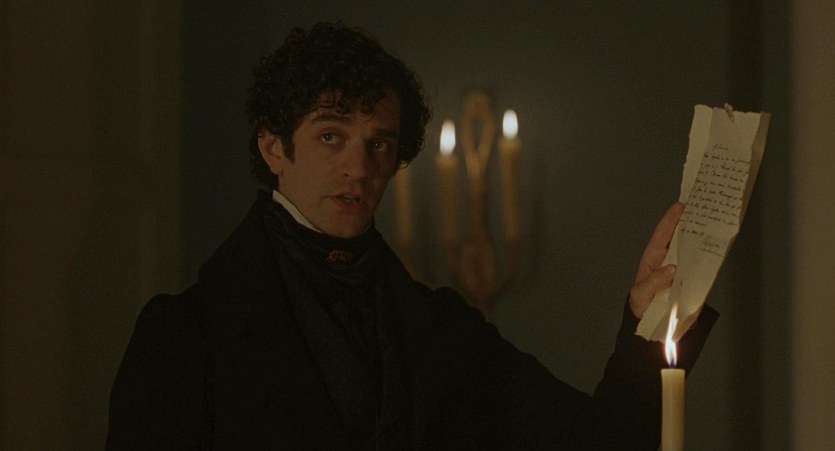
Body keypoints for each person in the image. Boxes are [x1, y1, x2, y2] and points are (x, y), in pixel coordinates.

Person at [107, 22, 717, 450]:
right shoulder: (185, 334)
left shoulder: (440, 330)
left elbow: (600, 441)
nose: (358, 167)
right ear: (273, 148)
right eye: (330, 136)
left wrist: (651, 317)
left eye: (379, 144)